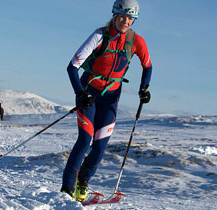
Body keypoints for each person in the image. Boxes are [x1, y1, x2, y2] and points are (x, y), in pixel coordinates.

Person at [61, 0, 152, 201]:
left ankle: (82, 182)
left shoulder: (137, 41)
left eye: (130, 18)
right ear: (114, 15)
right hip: (89, 94)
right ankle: (66, 189)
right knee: (85, 141)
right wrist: (80, 93)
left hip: (111, 98)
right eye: (122, 17)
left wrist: (144, 88)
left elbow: (148, 66)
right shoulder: (100, 35)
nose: (125, 22)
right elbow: (72, 67)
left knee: (100, 147)